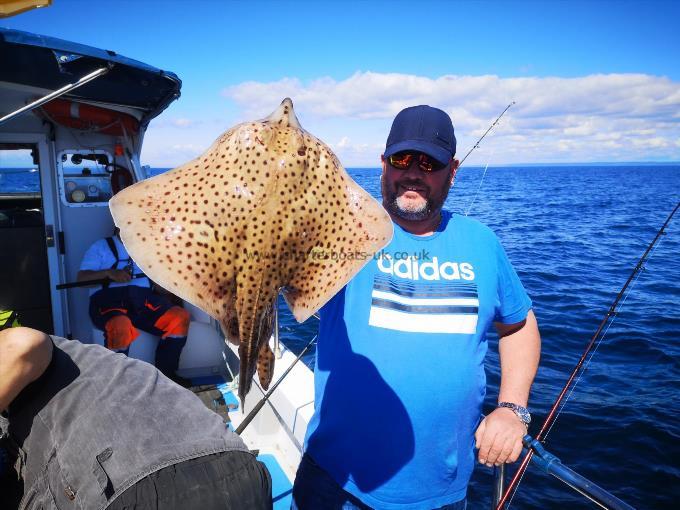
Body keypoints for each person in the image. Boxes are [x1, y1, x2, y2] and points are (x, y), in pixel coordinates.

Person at [292, 106, 541, 509]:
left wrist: (513, 408)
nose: (413, 172)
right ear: (383, 165)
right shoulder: (338, 232)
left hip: (439, 490)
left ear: (453, 170)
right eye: (402, 159)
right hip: (333, 478)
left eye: (429, 162)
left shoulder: (481, 243)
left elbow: (519, 325)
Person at [0, 326, 272, 509]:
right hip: (241, 469)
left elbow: (24, 344)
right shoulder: (94, 359)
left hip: (139, 487)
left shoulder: (34, 351)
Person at [77, 227, 190, 384]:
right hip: (109, 303)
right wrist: (109, 273)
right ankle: (116, 382)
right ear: (116, 226)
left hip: (144, 303)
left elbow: (160, 287)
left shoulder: (147, 250)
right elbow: (81, 279)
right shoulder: (100, 247)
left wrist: (164, 282)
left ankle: (166, 377)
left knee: (179, 317)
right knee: (120, 324)